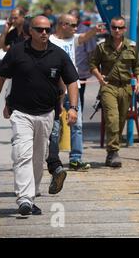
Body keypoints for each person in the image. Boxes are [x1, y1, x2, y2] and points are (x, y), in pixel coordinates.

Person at [0, 15, 79, 216]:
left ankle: (32, 193)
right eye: (39, 29)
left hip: (46, 113)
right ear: (30, 31)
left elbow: (71, 81)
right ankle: (24, 199)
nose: (44, 33)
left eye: (47, 29)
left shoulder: (58, 54)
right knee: (22, 154)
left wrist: (73, 108)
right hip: (21, 113)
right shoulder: (17, 51)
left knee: (38, 157)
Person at [46, 14, 103, 176]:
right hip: (55, 90)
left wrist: (95, 30)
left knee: (77, 124)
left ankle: (75, 158)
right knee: (54, 126)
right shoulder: (49, 41)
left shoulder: (72, 39)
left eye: (76, 25)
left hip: (72, 88)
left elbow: (85, 37)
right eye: (72, 25)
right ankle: (53, 159)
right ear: (63, 25)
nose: (75, 28)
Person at [89, 16, 139, 167]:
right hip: (109, 87)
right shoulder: (102, 46)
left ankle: (111, 151)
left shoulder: (131, 46)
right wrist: (100, 78)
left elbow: (137, 66)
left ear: (124, 29)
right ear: (110, 28)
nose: (117, 30)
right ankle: (114, 151)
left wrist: (138, 82)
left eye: (120, 27)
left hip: (126, 87)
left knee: (120, 120)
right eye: (114, 27)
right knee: (112, 118)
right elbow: (92, 64)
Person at [68, 9, 98, 110]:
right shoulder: (66, 31)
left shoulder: (86, 31)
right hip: (66, 72)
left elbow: (91, 52)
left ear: (77, 19)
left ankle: (77, 120)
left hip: (80, 72)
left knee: (78, 98)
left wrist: (92, 68)